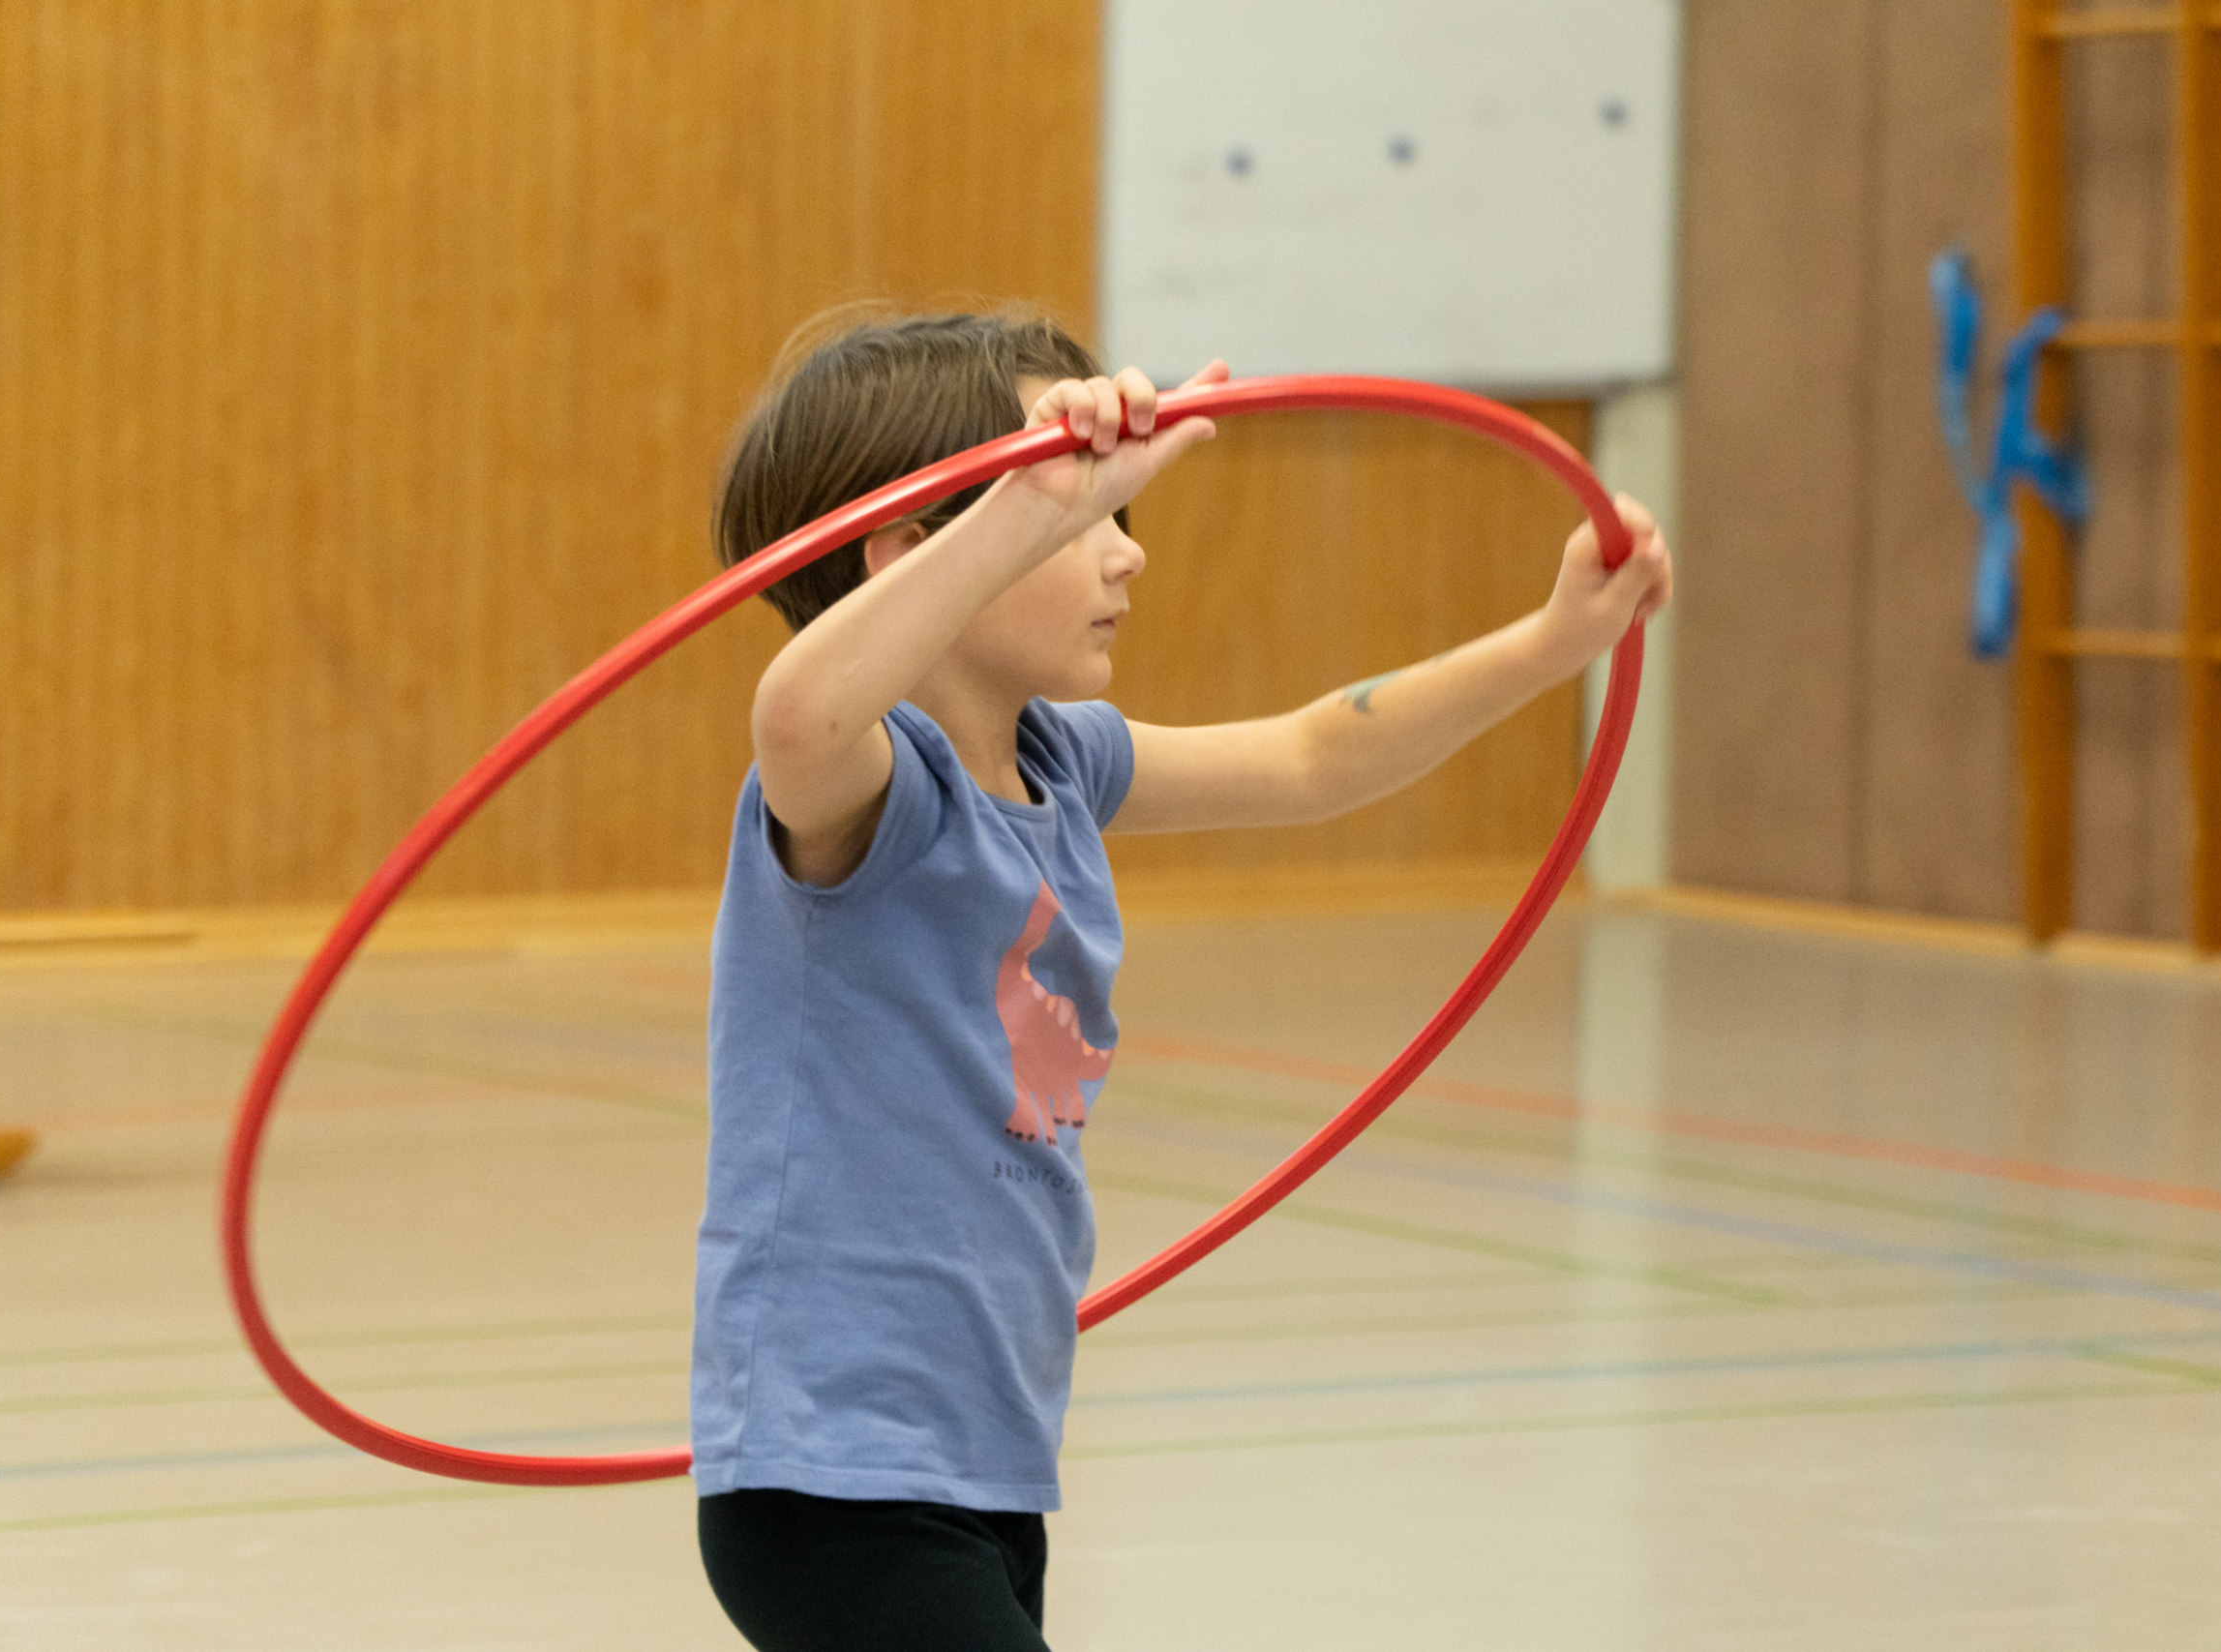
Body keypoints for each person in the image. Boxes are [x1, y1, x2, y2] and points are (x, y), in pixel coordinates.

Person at [690, 309, 1671, 1652]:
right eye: (1084, 519)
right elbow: (796, 712)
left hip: (985, 1464)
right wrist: (1020, 510)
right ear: (919, 552)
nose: (1126, 549)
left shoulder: (1066, 765)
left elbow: (1318, 759)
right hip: (834, 1475)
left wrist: (1555, 646)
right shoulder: (868, 790)